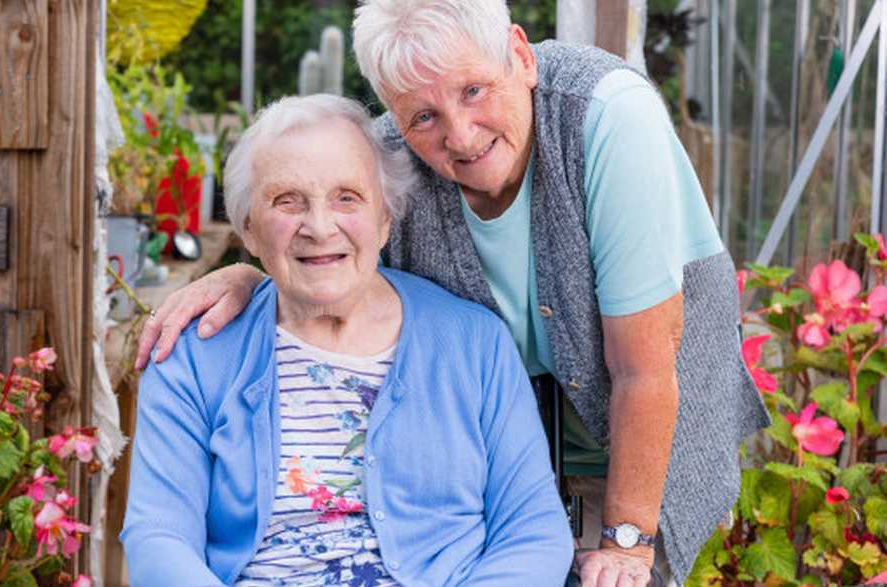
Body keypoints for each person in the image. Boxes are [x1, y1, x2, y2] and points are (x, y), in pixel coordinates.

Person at [136, 1, 771, 584]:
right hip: (519, 427)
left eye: (474, 91)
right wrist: (256, 274)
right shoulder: (392, 156)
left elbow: (645, 366)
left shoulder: (606, 115)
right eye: (425, 115)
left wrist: (628, 542)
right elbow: (322, 227)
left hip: (647, 417)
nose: (461, 136)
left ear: (521, 56)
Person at [120, 94, 574, 586]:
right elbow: (158, 536)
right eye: (286, 200)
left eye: (347, 198)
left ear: (385, 219)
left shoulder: (474, 344)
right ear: (248, 230)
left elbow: (534, 533)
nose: (319, 226)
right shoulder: (194, 352)